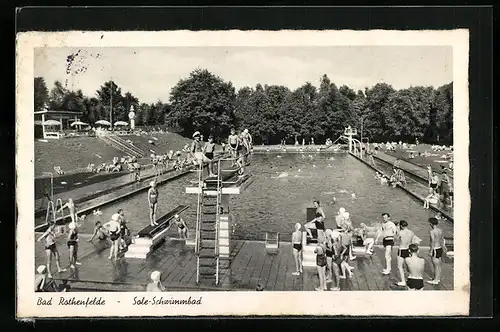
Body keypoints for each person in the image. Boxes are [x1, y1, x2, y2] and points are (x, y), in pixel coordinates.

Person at [395, 220, 418, 286]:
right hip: (408, 249)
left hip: (402, 249)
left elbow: (395, 240)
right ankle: (411, 278)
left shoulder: (400, 232)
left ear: (401, 226)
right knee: (408, 265)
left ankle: (403, 281)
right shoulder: (411, 232)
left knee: (400, 266)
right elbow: (413, 240)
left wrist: (397, 231)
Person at [427, 217, 444, 285]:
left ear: (431, 223)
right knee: (439, 265)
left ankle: (436, 280)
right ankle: (438, 278)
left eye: (429, 223)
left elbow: (433, 241)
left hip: (435, 249)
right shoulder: (440, 230)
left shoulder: (432, 231)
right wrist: (443, 247)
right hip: (439, 248)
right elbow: (442, 239)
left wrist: (431, 251)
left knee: (436, 265)